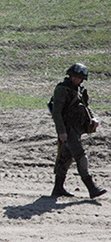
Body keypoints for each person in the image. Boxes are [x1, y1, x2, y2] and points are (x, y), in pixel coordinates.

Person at [50, 63, 106, 199]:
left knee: (66, 158)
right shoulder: (63, 90)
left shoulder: (80, 90)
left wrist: (93, 118)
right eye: (74, 77)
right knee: (81, 157)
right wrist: (62, 132)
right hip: (68, 129)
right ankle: (92, 188)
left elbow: (86, 107)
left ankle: (58, 188)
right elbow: (56, 113)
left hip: (77, 128)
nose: (76, 79)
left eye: (79, 77)